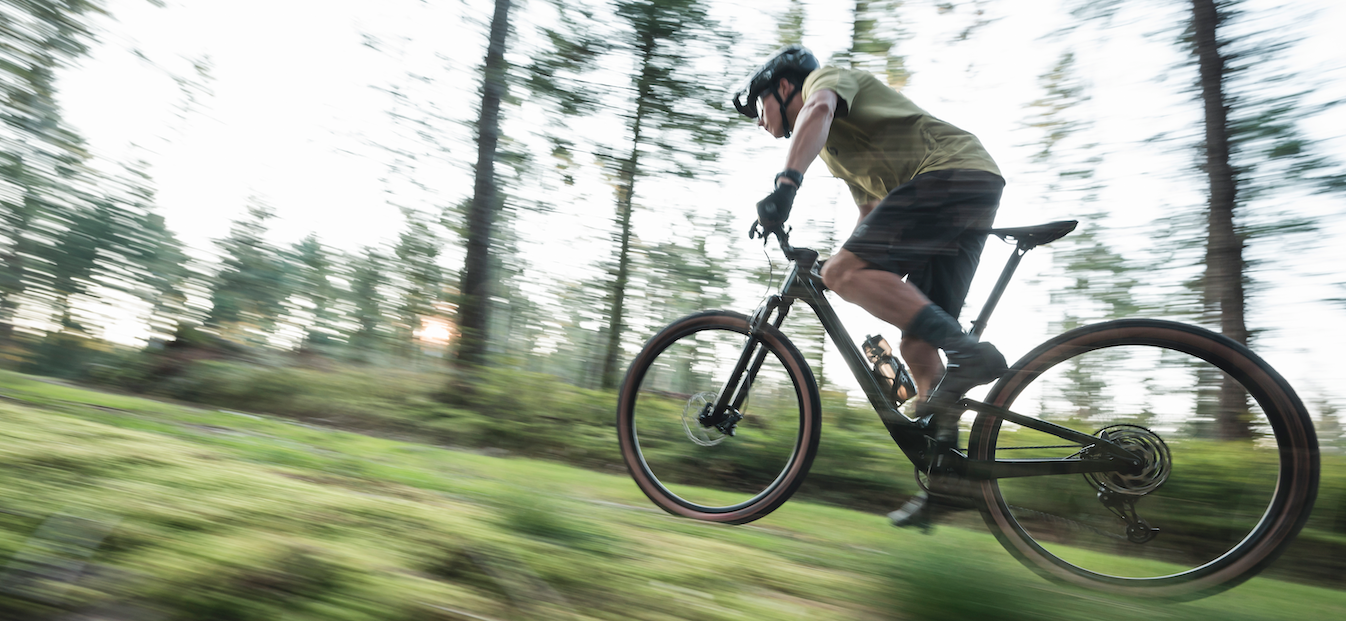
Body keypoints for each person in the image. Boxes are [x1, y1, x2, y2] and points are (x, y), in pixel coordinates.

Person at [732, 45, 1008, 529]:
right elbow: (871, 216)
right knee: (918, 342)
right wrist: (835, 273)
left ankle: (971, 354)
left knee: (847, 274)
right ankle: (948, 481)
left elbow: (815, 111)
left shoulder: (825, 85)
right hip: (968, 187)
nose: (760, 121)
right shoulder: (841, 151)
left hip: (950, 173)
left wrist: (785, 188)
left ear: (783, 87)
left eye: (760, 106)